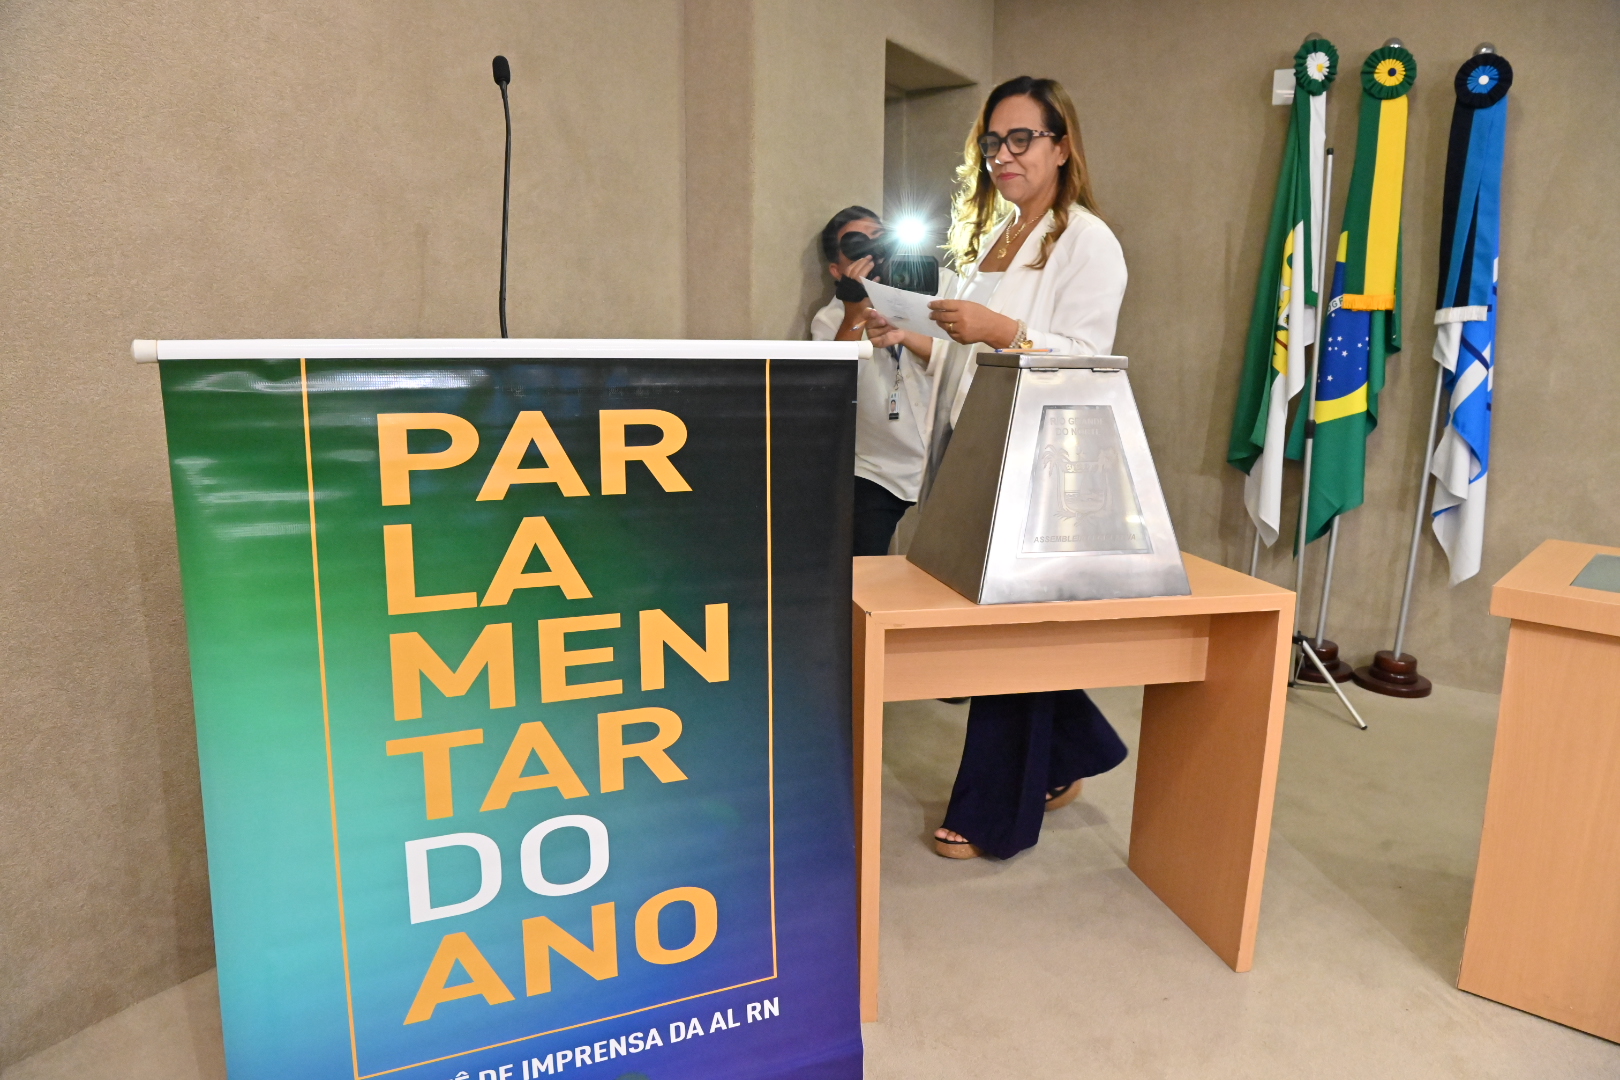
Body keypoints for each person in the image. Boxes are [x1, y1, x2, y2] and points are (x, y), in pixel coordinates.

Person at [866, 76, 1130, 861]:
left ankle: (990, 815)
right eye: (991, 142)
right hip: (974, 450)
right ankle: (1075, 745)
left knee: (1005, 633)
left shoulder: (1087, 240)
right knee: (999, 626)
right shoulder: (997, 237)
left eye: (1021, 139)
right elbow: (968, 359)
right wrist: (914, 335)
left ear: (1062, 146)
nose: (1002, 156)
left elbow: (1090, 361)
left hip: (1038, 462)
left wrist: (1000, 328)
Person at [810, 207, 937, 557]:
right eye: (857, 246)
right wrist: (855, 313)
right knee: (859, 564)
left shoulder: (938, 284)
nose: (873, 254)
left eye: (880, 240)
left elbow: (965, 358)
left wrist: (908, 334)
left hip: (946, 456)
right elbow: (832, 388)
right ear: (837, 270)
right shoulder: (831, 319)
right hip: (876, 466)